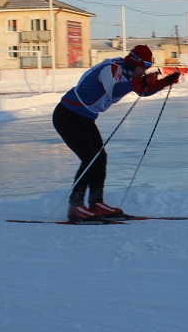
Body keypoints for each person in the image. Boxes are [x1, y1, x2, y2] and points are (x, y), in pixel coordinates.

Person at [52, 45, 180, 222]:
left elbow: (141, 90)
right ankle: (75, 207)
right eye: (143, 67)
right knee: (90, 159)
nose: (144, 72)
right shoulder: (111, 68)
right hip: (68, 116)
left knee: (100, 157)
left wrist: (166, 82)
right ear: (135, 63)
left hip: (85, 118)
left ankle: (96, 203)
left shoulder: (130, 74)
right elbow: (113, 89)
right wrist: (142, 82)